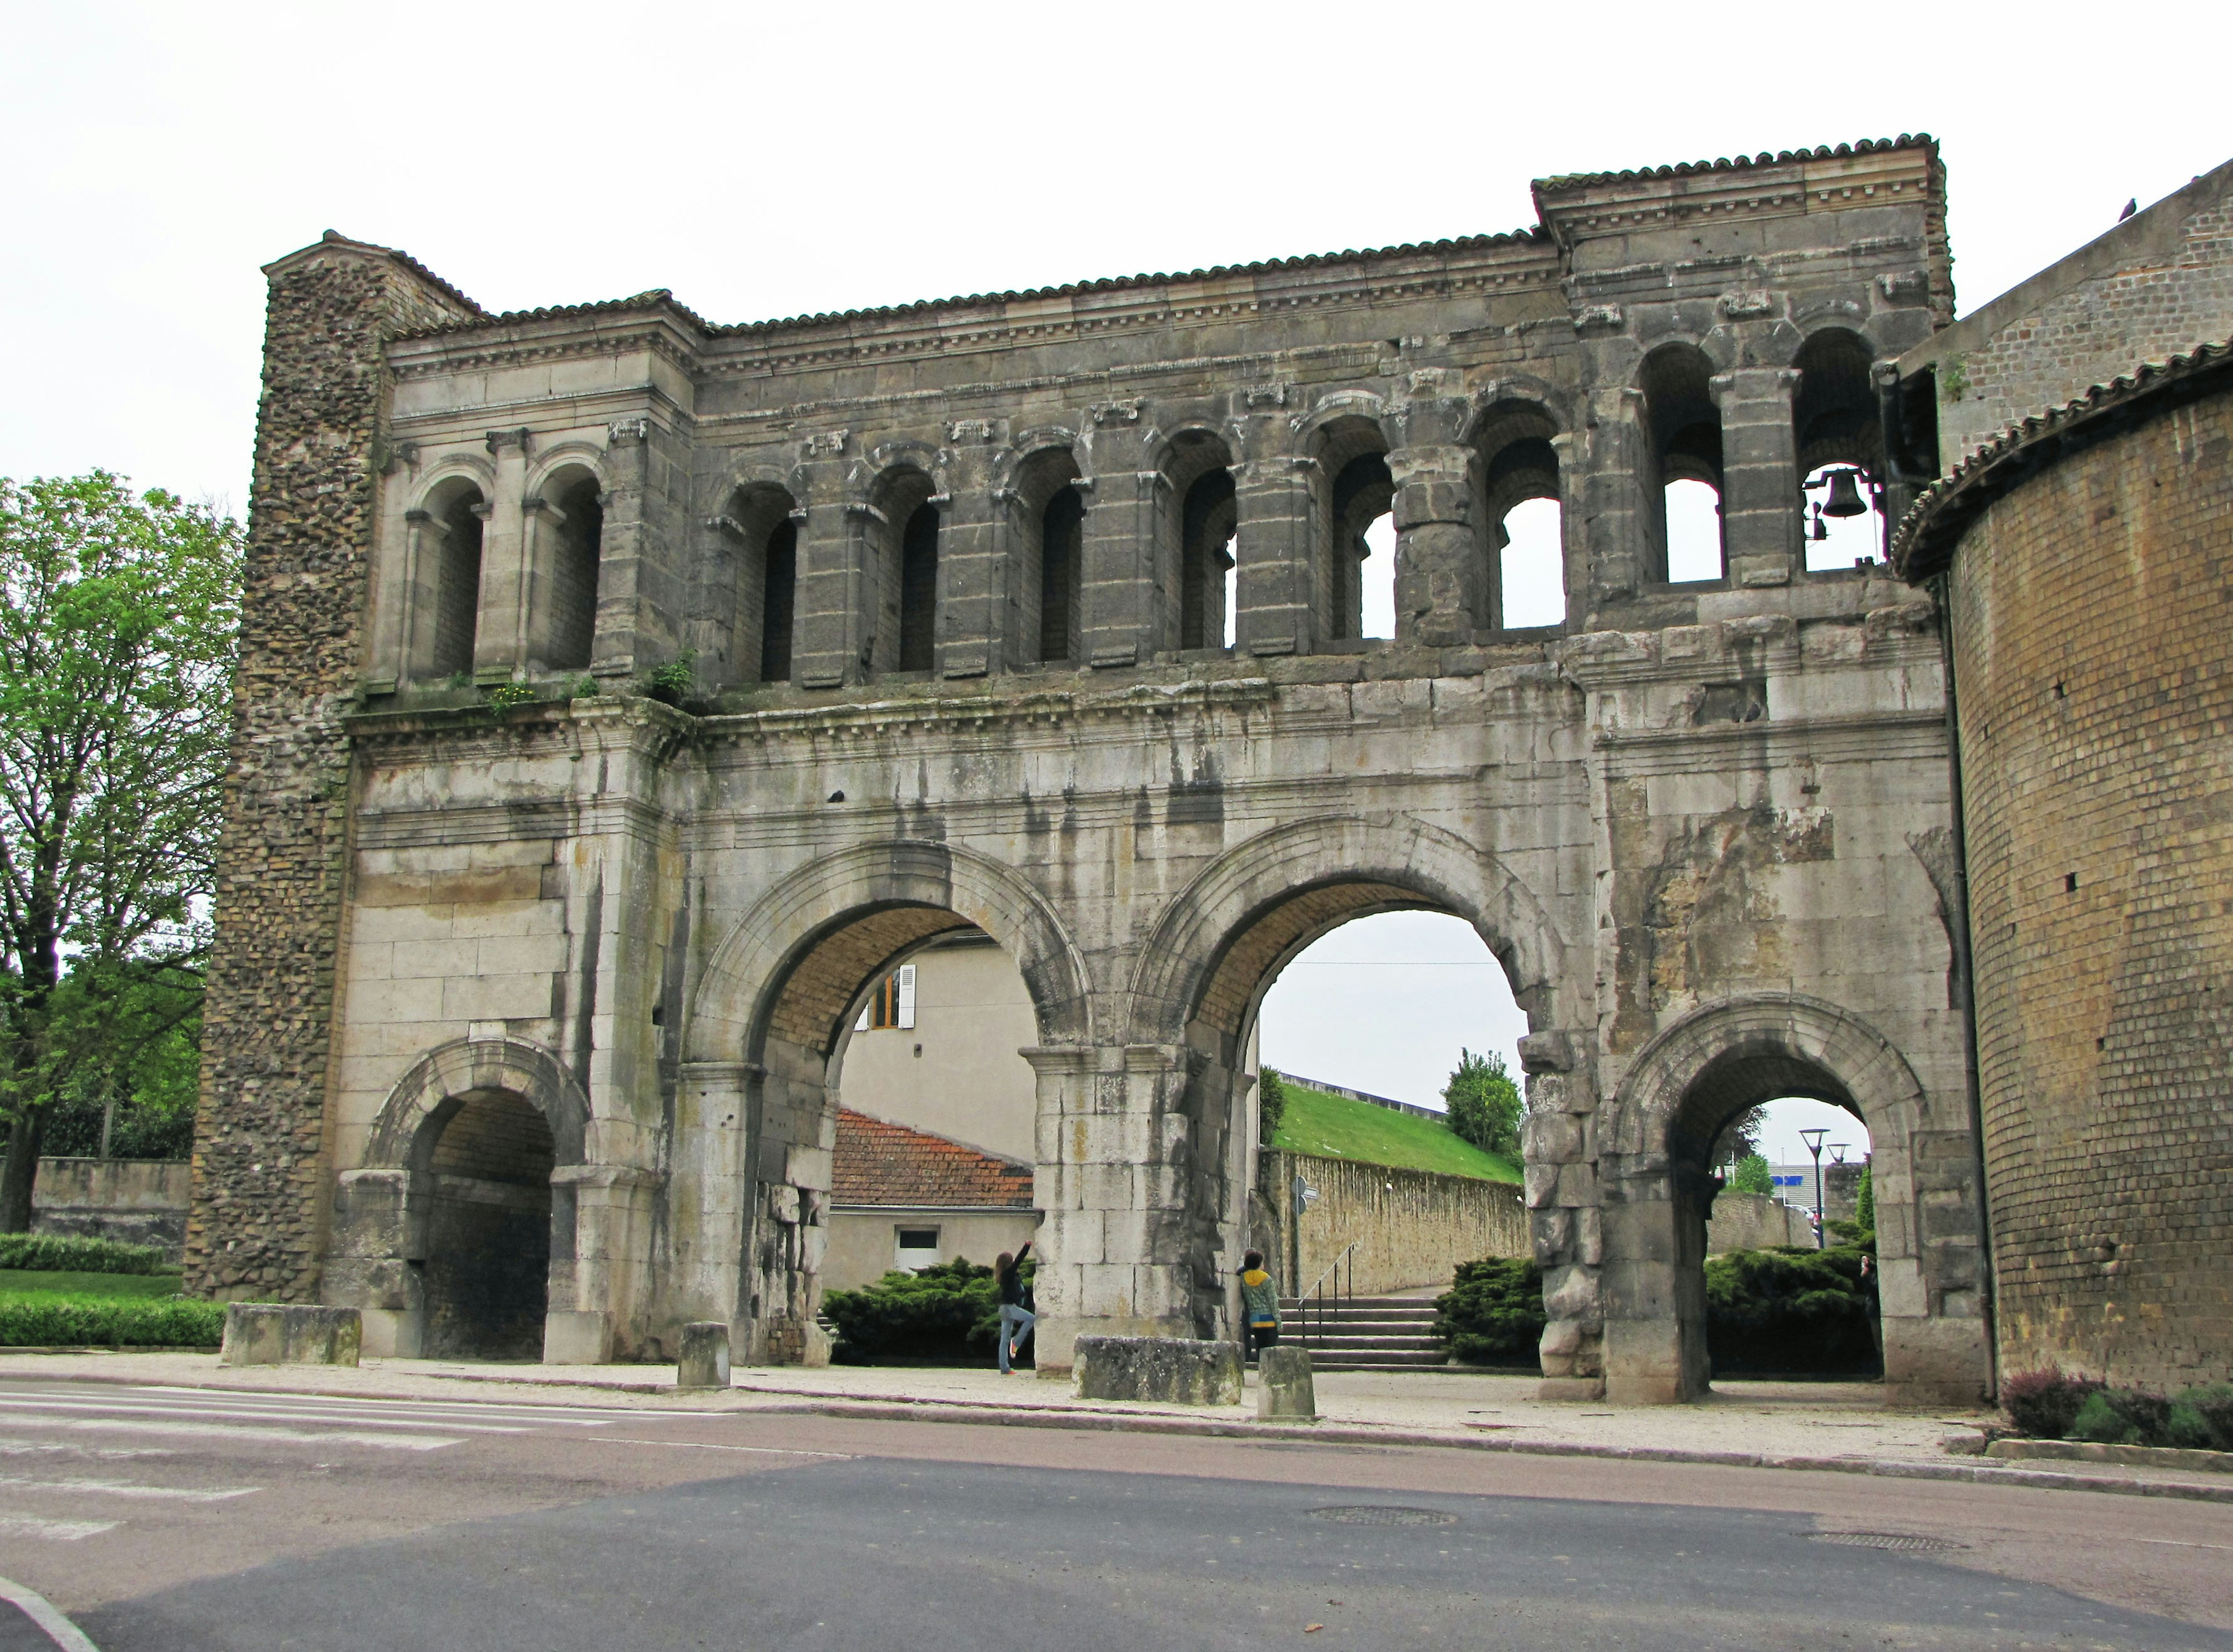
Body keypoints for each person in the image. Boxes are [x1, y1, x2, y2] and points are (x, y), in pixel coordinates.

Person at [994, 1243, 1035, 1374]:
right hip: (1009, 1308)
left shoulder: (1005, 1275)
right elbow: (1019, 1260)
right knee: (1031, 1319)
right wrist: (1026, 1247)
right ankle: (1017, 1342)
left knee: (1004, 1339)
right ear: (1008, 1263)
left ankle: (1004, 1368)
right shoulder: (1008, 1273)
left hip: (1005, 1308)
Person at [1238, 1250, 1280, 1362]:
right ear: (1259, 1264)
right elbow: (1273, 1302)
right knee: (1271, 1350)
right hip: (1269, 1320)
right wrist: (1279, 1322)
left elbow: (1240, 1271)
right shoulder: (1266, 1279)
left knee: (1260, 1349)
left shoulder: (1243, 1278)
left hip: (1255, 1319)